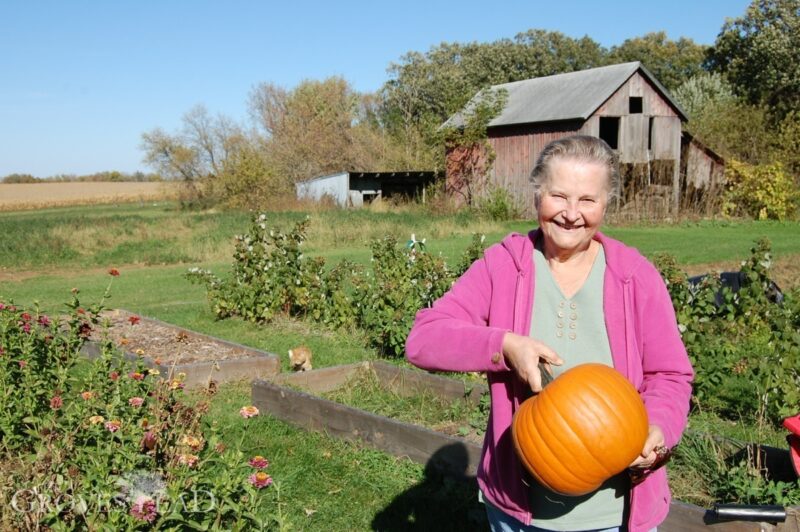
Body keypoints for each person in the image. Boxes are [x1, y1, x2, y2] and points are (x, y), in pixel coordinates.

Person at [405, 135, 693, 532]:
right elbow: (423, 339)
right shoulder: (503, 267)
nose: (572, 214)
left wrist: (658, 427)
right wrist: (503, 345)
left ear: (606, 204)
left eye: (588, 200)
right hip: (519, 514)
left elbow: (671, 375)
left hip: (617, 515)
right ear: (538, 195)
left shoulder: (634, 277)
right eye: (559, 196)